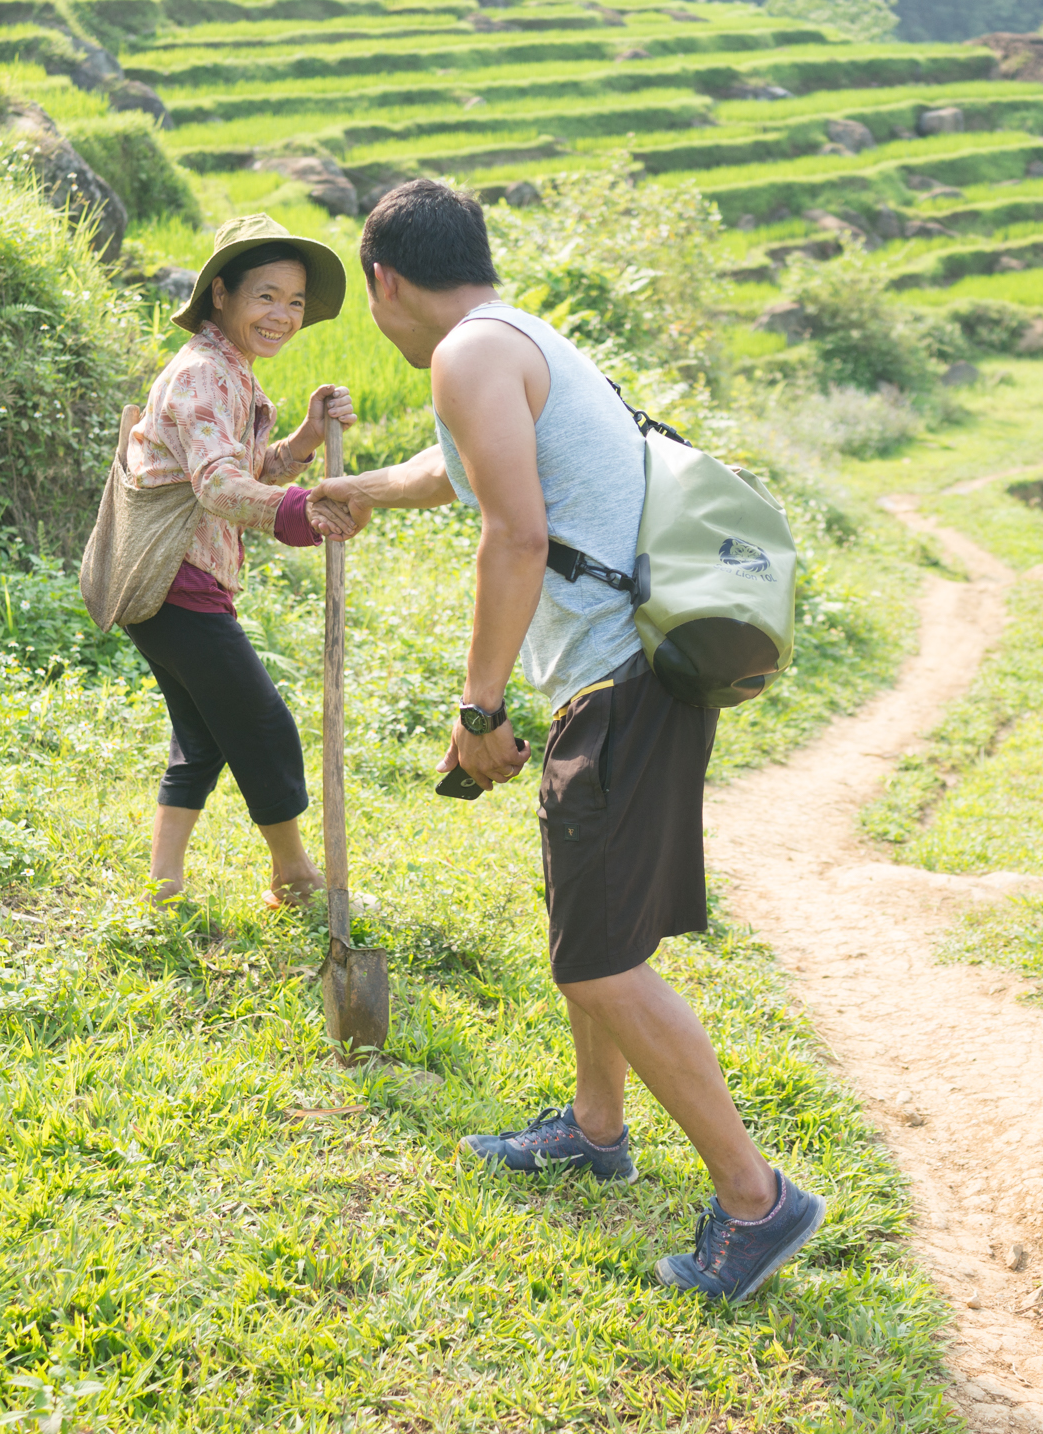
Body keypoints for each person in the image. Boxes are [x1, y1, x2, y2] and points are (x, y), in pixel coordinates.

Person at [316, 179, 825, 1303]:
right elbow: (462, 477)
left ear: (382, 281)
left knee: (600, 958)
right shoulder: (520, 337)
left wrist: (478, 707)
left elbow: (517, 528)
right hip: (624, 677)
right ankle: (597, 1128)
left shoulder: (465, 355)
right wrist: (363, 488)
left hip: (621, 682)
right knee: (585, 932)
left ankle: (756, 1199)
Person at [126, 213, 367, 911]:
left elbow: (246, 464)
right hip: (176, 582)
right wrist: (302, 509)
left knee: (202, 734)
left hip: (179, 583)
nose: (283, 315)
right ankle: (294, 875)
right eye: (266, 296)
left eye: (294, 301)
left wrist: (306, 436)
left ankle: (163, 882)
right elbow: (218, 485)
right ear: (222, 294)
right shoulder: (205, 375)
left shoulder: (232, 372)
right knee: (263, 725)